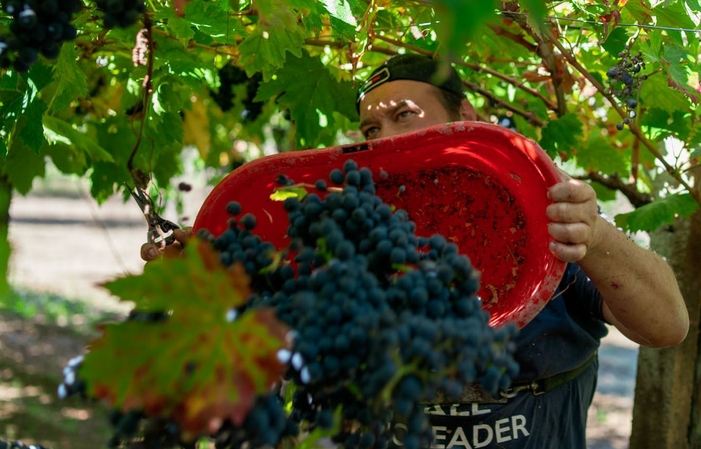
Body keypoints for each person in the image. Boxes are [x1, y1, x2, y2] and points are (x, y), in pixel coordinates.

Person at [142, 54, 689, 449]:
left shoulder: (542, 220)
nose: (382, 137)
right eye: (369, 126)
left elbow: (668, 326)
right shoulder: (345, 238)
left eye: (404, 115)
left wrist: (594, 234)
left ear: (467, 116)